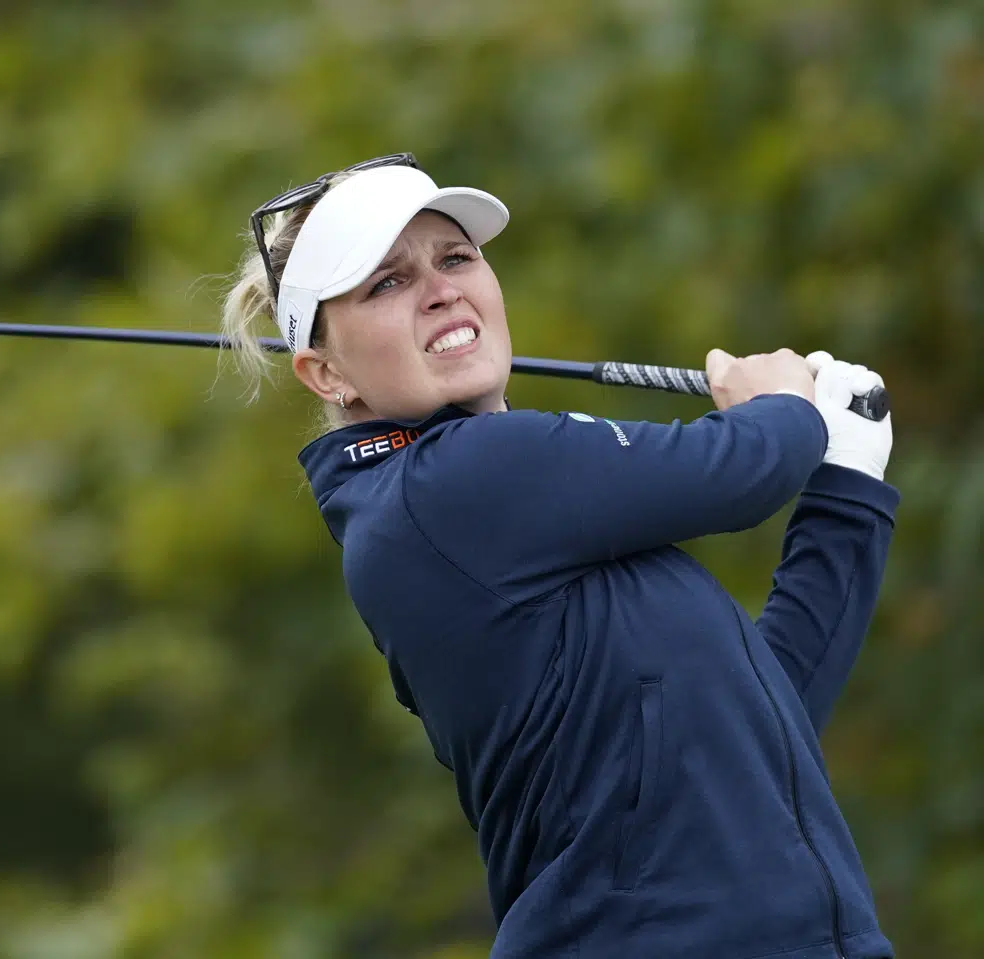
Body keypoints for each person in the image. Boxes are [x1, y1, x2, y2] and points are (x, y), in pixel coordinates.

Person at [218, 153, 899, 959]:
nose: (440, 288)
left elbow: (763, 718)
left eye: (455, 257)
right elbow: (743, 469)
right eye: (386, 283)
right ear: (327, 373)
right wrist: (787, 401)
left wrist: (846, 493)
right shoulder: (447, 486)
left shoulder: (515, 509)